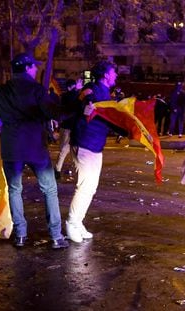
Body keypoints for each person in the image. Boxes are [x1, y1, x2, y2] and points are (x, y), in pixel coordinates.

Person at [0, 52, 69, 249]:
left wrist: (0, 122)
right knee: (49, 189)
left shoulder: (1, 91)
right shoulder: (36, 89)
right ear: (27, 68)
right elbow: (53, 112)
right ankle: (55, 236)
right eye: (34, 66)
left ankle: (20, 235)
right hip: (35, 147)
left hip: (11, 147)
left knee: (15, 190)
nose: (36, 69)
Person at [66, 60, 124, 243]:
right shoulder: (93, 89)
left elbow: (109, 118)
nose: (115, 75)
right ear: (106, 74)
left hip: (94, 143)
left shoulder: (105, 92)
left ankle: (78, 221)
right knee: (85, 186)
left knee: (90, 187)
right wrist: (86, 103)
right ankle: (71, 222)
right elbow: (85, 103)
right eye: (113, 72)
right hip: (85, 142)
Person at [54, 78, 83, 179]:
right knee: (74, 151)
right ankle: (78, 171)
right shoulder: (74, 95)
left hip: (67, 126)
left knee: (64, 150)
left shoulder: (65, 96)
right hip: (73, 126)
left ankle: (57, 170)